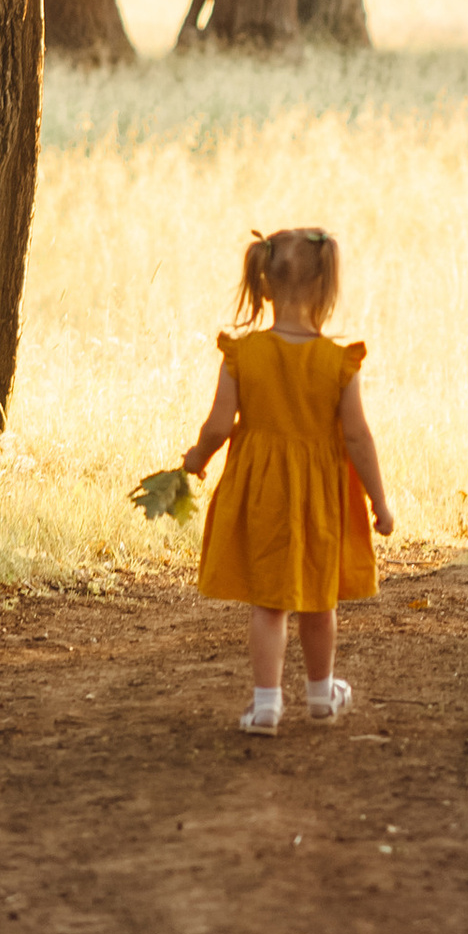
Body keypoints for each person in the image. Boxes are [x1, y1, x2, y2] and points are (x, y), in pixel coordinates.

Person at [181, 225, 394, 734]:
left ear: (265, 287)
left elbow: (218, 424)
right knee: (319, 598)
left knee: (270, 602)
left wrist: (197, 457)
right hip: (321, 498)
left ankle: (267, 704)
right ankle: (321, 696)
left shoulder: (243, 355)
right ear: (325, 289)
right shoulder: (337, 362)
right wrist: (379, 503)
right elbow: (358, 438)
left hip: (263, 494)